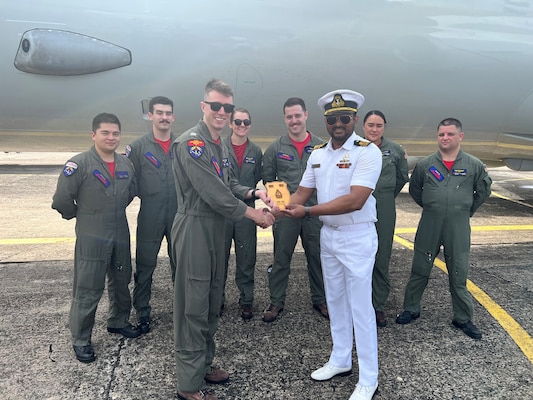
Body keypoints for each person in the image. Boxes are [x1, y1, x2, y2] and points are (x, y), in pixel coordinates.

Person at [170, 79, 275, 400]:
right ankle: (188, 386)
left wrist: (255, 192)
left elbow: (229, 183)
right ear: (204, 106)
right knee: (194, 305)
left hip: (215, 229)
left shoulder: (220, 145)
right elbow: (213, 193)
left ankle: (203, 365)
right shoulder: (193, 144)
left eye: (227, 108)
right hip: (195, 228)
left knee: (212, 299)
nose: (222, 112)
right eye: (215, 106)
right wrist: (254, 213)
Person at [281, 90, 382, 400]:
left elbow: (355, 200)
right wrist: (280, 206)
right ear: (325, 121)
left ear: (353, 120)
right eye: (332, 119)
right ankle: (340, 360)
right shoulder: (319, 153)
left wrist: (307, 211)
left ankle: (368, 377)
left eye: (343, 118)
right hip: (330, 236)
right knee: (335, 301)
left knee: (360, 306)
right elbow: (301, 192)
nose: (337, 123)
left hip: (357, 235)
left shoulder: (367, 152)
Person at [52, 113, 140, 364]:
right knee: (88, 287)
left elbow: (130, 192)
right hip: (92, 231)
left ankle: (118, 320)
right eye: (105, 133)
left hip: (119, 227)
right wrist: (81, 215)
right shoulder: (79, 164)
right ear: (94, 135)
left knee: (121, 277)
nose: (111, 138)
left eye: (115, 133)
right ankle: (81, 339)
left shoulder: (125, 164)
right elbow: (61, 200)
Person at [396, 118, 492, 340]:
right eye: (441, 134)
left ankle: (462, 317)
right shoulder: (427, 164)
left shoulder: (474, 165)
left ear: (460, 136)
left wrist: (464, 209)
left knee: (458, 271)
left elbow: (483, 190)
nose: (445, 138)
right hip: (430, 222)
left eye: (450, 134)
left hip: (458, 225)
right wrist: (433, 206)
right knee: (420, 267)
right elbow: (416, 189)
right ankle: (411, 308)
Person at [261, 97, 327, 323]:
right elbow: (269, 178)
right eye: (289, 116)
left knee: (317, 258)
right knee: (281, 258)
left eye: (298, 115)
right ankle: (276, 301)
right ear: (285, 119)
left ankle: (321, 299)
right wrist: (278, 204)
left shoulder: (321, 147)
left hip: (313, 213)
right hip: (286, 214)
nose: (294, 120)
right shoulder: (275, 148)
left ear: (306, 115)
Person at [126, 96, 177, 334]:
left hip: (178, 214)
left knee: (181, 265)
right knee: (145, 266)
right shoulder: (138, 147)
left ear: (173, 117)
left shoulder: (183, 145)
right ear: (150, 115)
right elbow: (128, 180)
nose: (164, 117)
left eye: (168, 113)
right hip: (150, 214)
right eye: (159, 113)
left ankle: (182, 311)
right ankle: (143, 312)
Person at [362, 110, 409, 328]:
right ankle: (358, 305)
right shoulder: (354, 148)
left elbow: (401, 178)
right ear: (363, 126)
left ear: (384, 127)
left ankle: (378, 305)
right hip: (358, 207)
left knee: (381, 257)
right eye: (370, 125)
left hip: (384, 208)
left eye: (379, 125)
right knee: (358, 258)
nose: (374, 129)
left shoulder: (395, 150)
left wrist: (385, 194)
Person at [221, 108, 263, 320]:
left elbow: (255, 178)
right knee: (219, 259)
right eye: (237, 122)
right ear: (230, 124)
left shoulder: (255, 151)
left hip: (246, 212)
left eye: (246, 122)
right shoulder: (218, 147)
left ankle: (246, 300)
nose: (242, 125)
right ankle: (217, 300)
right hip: (223, 211)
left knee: (247, 258)